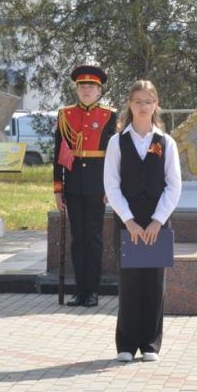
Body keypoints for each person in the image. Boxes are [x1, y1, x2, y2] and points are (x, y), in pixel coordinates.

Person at [103, 80, 182, 362]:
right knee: (130, 282)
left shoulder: (165, 142)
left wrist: (157, 221)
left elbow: (174, 186)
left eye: (148, 101)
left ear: (156, 105)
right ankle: (126, 344)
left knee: (153, 283)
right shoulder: (117, 142)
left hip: (157, 223)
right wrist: (130, 221)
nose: (143, 106)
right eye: (138, 101)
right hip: (129, 223)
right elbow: (111, 186)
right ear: (129, 104)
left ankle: (150, 344)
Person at [54, 65, 118, 307]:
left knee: (93, 238)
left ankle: (92, 291)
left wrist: (111, 188)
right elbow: (59, 155)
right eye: (82, 86)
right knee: (77, 238)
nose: (86, 90)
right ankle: (79, 291)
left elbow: (114, 158)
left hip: (97, 186)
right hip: (73, 185)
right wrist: (58, 189)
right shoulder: (65, 115)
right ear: (77, 89)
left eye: (91, 86)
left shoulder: (109, 115)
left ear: (99, 90)